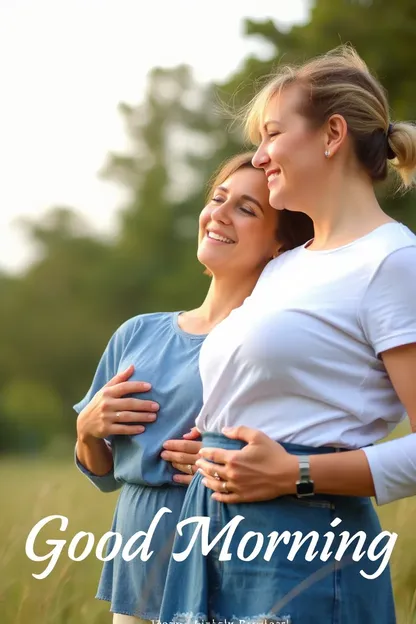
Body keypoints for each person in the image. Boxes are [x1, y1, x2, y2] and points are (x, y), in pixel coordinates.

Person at [159, 46, 416, 624]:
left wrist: (296, 472)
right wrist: (215, 448)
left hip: (307, 548)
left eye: (272, 133)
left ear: (332, 133)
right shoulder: (283, 266)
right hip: (217, 541)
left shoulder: (392, 262)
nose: (258, 155)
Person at [73, 152, 313, 624]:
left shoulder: (268, 345)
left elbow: (288, 458)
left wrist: (221, 456)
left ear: (280, 247)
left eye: (247, 209)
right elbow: (104, 475)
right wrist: (86, 430)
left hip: (231, 559)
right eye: (218, 198)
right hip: (138, 565)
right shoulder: (138, 333)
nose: (219, 214)